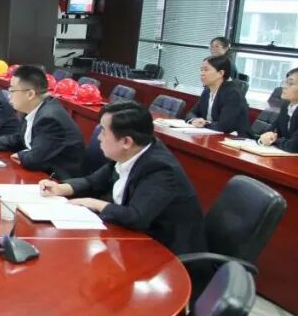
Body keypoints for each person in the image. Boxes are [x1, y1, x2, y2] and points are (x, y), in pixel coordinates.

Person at [39, 100, 207, 254]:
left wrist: (94, 203)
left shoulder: (160, 168)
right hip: (132, 241)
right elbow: (94, 181)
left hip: (166, 254)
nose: (99, 137)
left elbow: (136, 217)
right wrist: (61, 188)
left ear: (126, 142)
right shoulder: (131, 152)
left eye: (103, 131)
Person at [0, 64, 84, 178]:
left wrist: (19, 155)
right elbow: (17, 139)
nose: (9, 96)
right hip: (41, 175)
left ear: (30, 94)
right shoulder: (34, 109)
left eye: (12, 91)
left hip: (59, 182)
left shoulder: (50, 118)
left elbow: (34, 159)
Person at [185, 55, 252, 136]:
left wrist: (204, 123)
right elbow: (191, 113)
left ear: (220, 73)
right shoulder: (207, 91)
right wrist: (194, 120)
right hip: (211, 135)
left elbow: (224, 126)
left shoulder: (233, 94)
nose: (202, 74)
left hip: (235, 139)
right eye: (201, 70)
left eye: (206, 70)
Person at [258, 66, 298, 152]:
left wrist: (275, 140)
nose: (284, 86)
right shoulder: (286, 106)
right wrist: (267, 137)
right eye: (285, 82)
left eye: (290, 83)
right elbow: (268, 133)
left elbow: (293, 146)